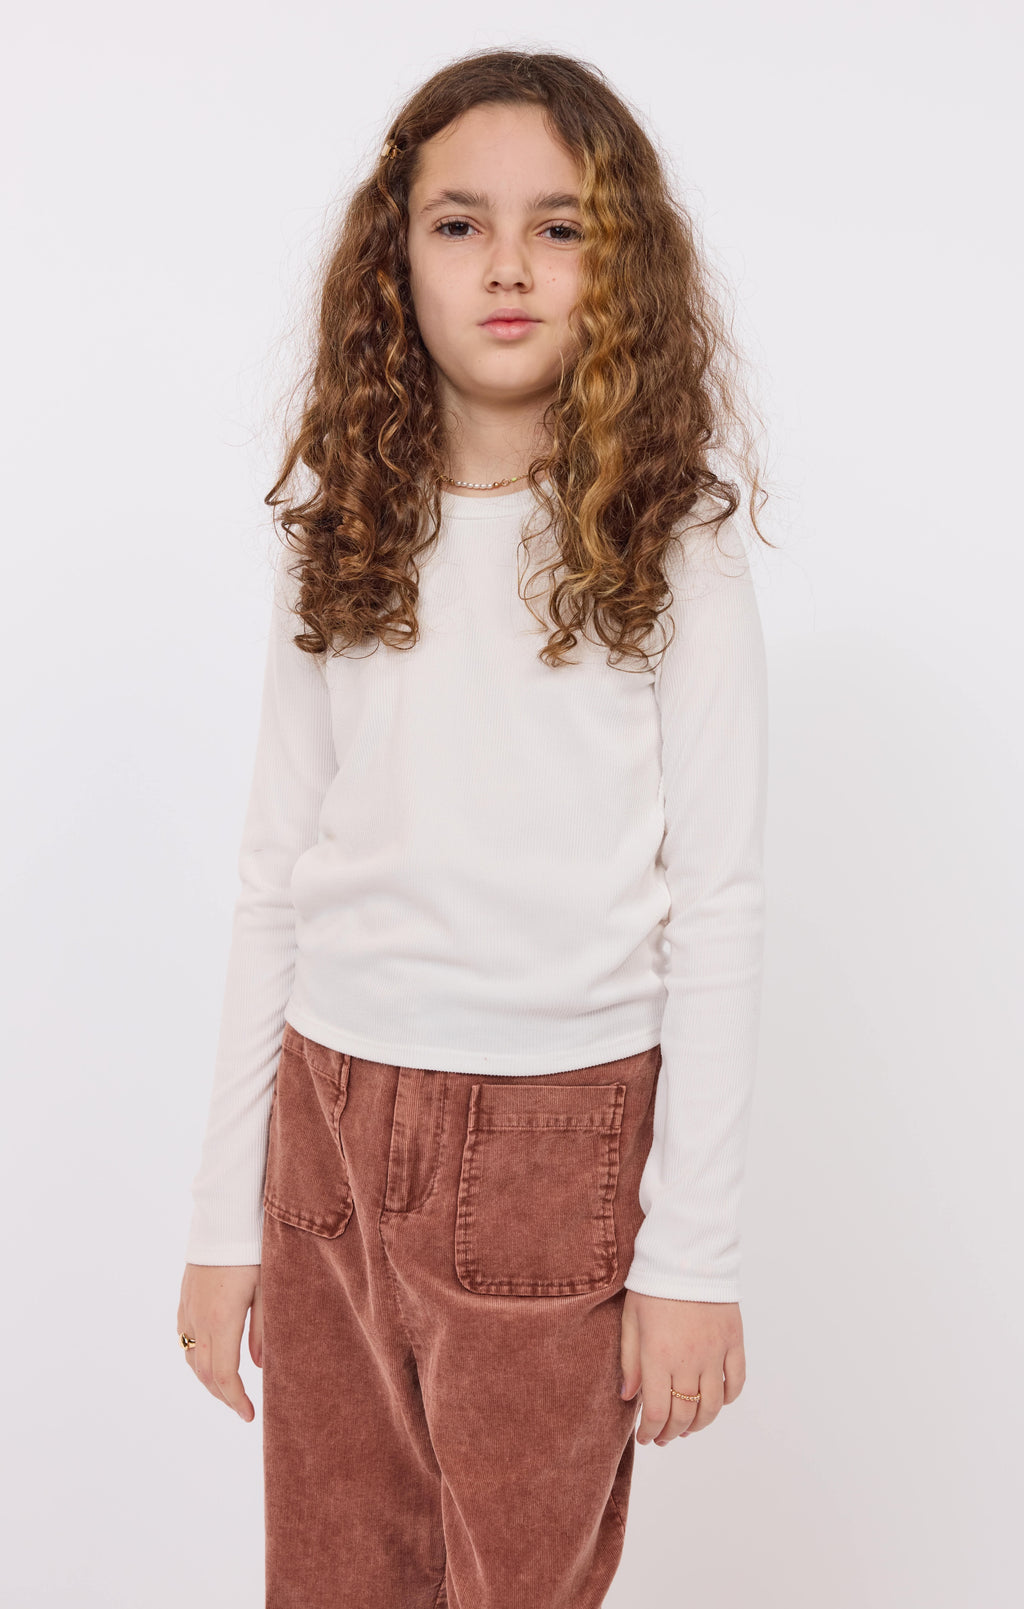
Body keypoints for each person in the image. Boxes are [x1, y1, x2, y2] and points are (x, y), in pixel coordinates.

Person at [177, 46, 772, 1609]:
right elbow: (272, 875)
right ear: (397, 258)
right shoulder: (345, 527)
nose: (508, 265)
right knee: (332, 1578)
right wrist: (224, 1218)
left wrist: (691, 1257)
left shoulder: (673, 543)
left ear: (619, 262)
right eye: (460, 224)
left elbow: (718, 897)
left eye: (558, 227)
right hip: (325, 1126)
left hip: (552, 1141)